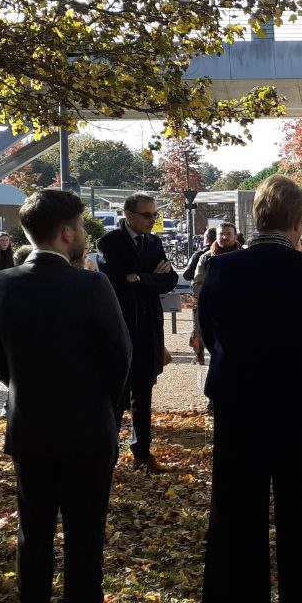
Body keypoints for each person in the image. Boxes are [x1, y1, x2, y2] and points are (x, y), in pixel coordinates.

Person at [198, 174, 302, 603]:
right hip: (297, 408)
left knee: (235, 519)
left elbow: (210, 329)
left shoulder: (224, 268)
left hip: (239, 407)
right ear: (298, 221)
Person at [0, 189, 131, 603]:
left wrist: (27, 390)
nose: (84, 234)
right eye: (82, 227)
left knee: (34, 530)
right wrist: (110, 410)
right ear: (66, 233)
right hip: (87, 428)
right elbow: (119, 356)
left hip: (29, 426)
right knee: (86, 533)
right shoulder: (91, 283)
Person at [98, 192, 178, 474]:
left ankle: (142, 453)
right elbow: (118, 284)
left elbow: (170, 279)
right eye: (147, 215)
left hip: (148, 330)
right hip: (122, 329)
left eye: (155, 215)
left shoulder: (153, 241)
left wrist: (141, 277)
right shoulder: (109, 243)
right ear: (129, 214)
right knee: (117, 397)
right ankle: (107, 455)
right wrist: (150, 278)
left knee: (143, 396)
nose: (152, 220)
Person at [190, 222, 241, 362]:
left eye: (228, 234)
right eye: (221, 234)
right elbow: (197, 286)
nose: (224, 237)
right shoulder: (206, 258)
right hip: (214, 313)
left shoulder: (246, 258)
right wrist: (217, 294)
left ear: (235, 236)